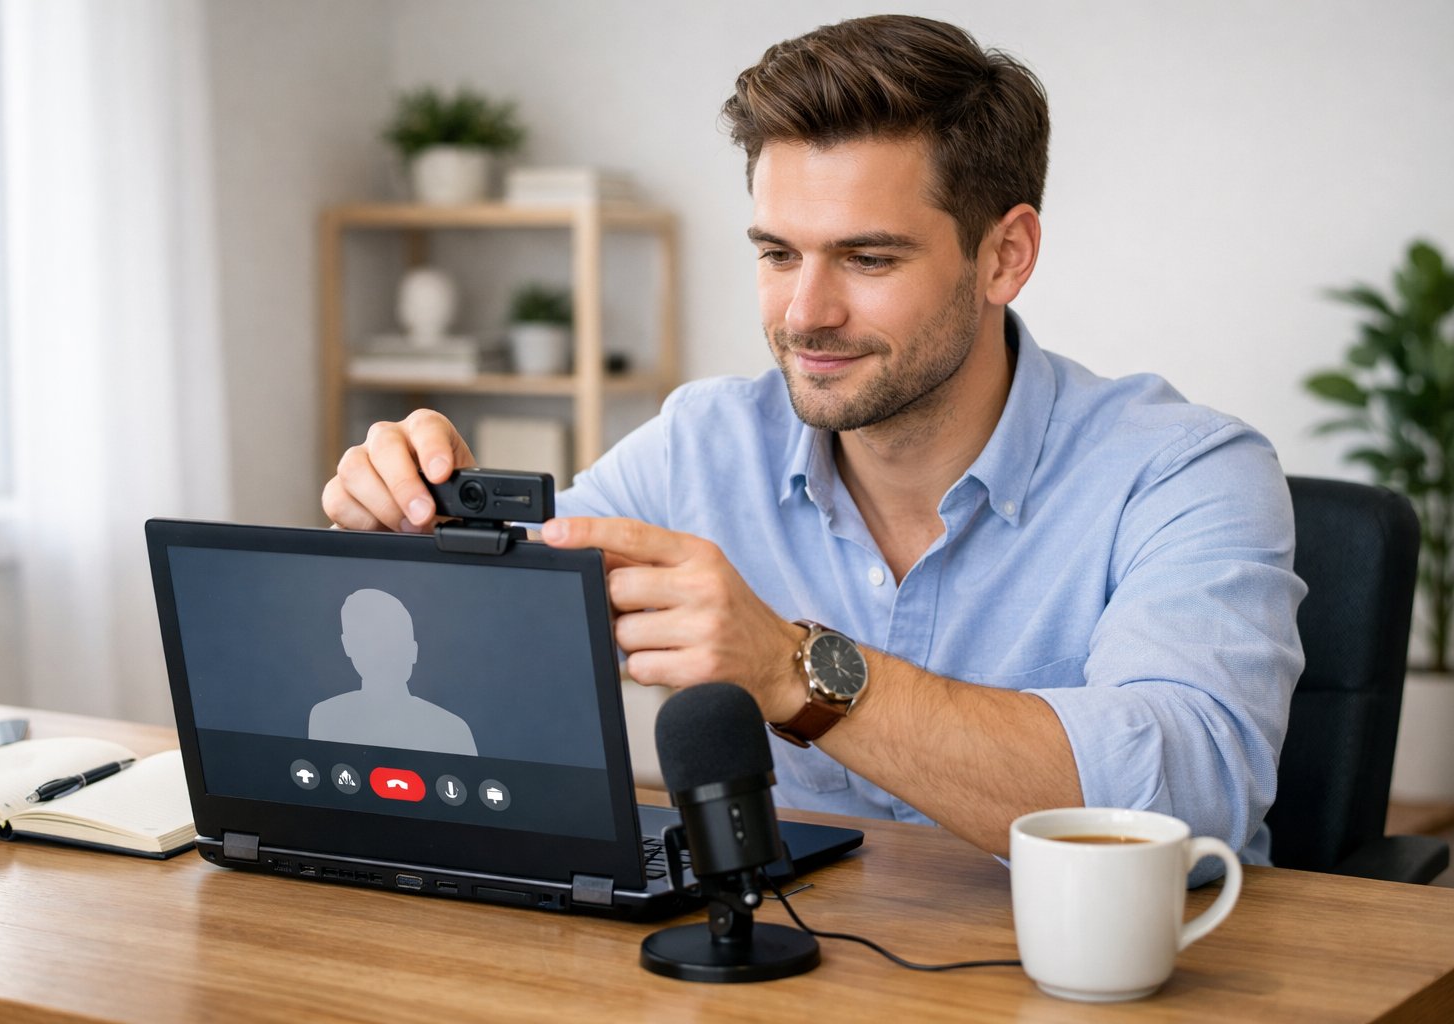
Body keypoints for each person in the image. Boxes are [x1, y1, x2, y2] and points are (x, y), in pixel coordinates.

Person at [322, 15, 1304, 872]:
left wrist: (796, 670)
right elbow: (464, 638)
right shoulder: (704, 443)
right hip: (797, 965)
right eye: (777, 253)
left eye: (868, 258)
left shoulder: (1184, 470)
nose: (805, 312)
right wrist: (413, 520)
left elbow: (1190, 793)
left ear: (1005, 255)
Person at [309, 588, 478, 755]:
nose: (383, 652)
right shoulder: (327, 717)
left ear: (413, 650)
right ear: (348, 646)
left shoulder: (453, 730)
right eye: (368, 642)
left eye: (395, 639)